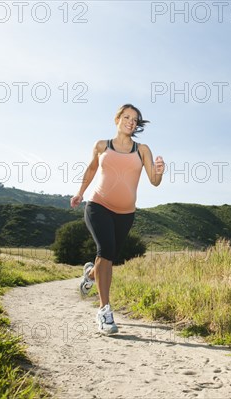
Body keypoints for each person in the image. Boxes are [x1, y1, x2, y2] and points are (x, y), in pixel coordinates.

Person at [70, 104, 165, 335]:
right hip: (98, 205)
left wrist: (160, 171)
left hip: (125, 214)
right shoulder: (102, 145)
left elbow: (154, 181)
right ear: (117, 119)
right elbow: (91, 169)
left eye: (135, 120)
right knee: (106, 250)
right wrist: (80, 192)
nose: (131, 122)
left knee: (108, 257)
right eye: (127, 117)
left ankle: (90, 274)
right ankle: (104, 311)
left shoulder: (142, 150)